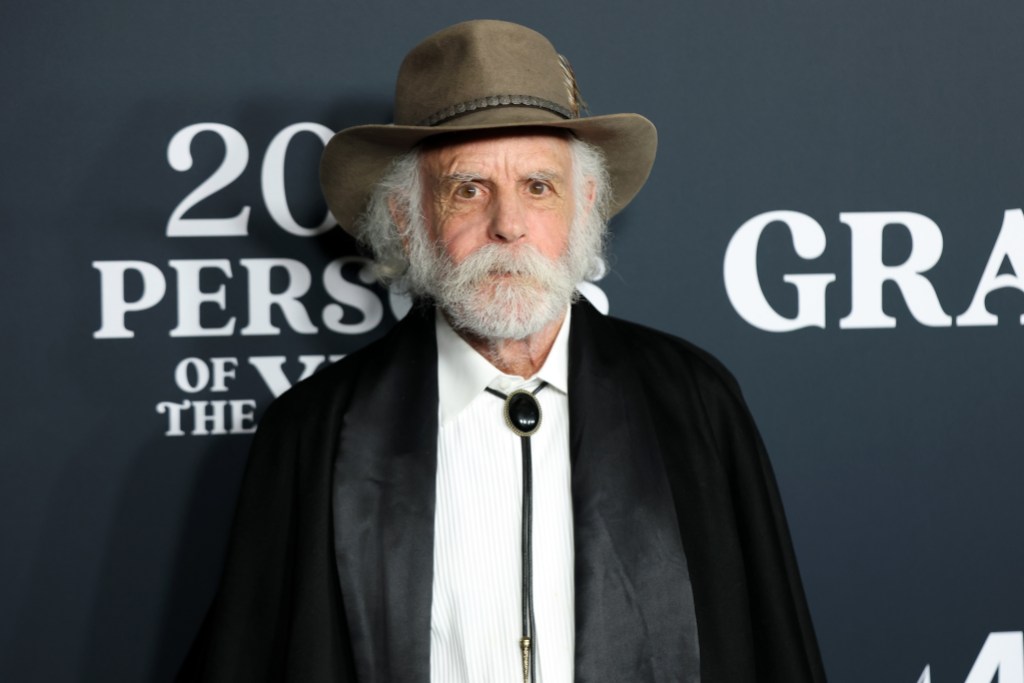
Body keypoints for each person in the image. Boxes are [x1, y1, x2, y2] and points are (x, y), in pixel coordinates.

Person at [178, 19, 826, 683]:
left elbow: (769, 650)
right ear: (407, 219)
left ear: (586, 204)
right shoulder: (316, 432)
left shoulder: (693, 402)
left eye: (538, 187)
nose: (507, 225)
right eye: (468, 188)